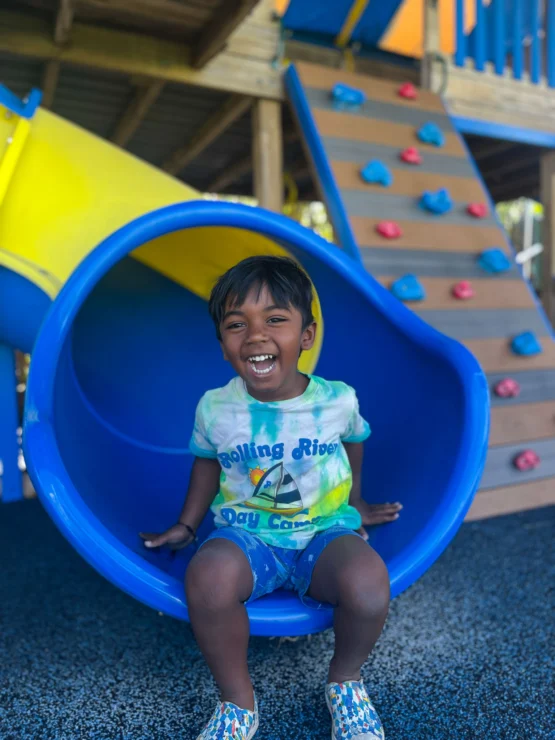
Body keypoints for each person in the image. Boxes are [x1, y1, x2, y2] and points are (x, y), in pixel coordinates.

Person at [140, 256, 402, 740]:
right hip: (247, 535)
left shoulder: (337, 399)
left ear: (307, 335)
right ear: (223, 345)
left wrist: (357, 503)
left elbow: (354, 444)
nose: (256, 336)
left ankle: (345, 682)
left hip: (324, 532)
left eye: (275, 320)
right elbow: (206, 462)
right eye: (237, 324)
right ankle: (237, 703)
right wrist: (188, 525)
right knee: (208, 576)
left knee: (369, 583)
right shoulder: (216, 407)